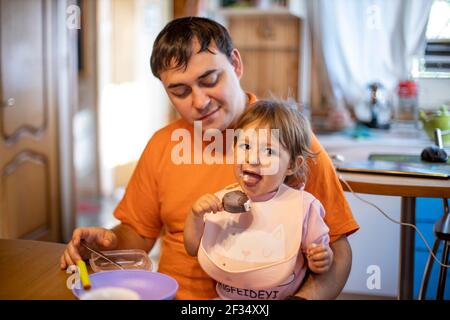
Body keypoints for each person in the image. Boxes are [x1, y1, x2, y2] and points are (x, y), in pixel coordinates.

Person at [60, 16, 359, 300]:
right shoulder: (163, 144)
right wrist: (103, 245)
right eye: (180, 91)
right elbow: (138, 233)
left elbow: (337, 248)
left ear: (236, 64)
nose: (199, 102)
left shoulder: (288, 142)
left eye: (210, 79)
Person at [184, 100, 333, 300]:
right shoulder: (220, 202)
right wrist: (196, 215)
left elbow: (320, 252)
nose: (252, 158)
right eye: (245, 146)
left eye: (269, 151)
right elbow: (192, 248)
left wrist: (322, 259)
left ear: (291, 165)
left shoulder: (303, 206)